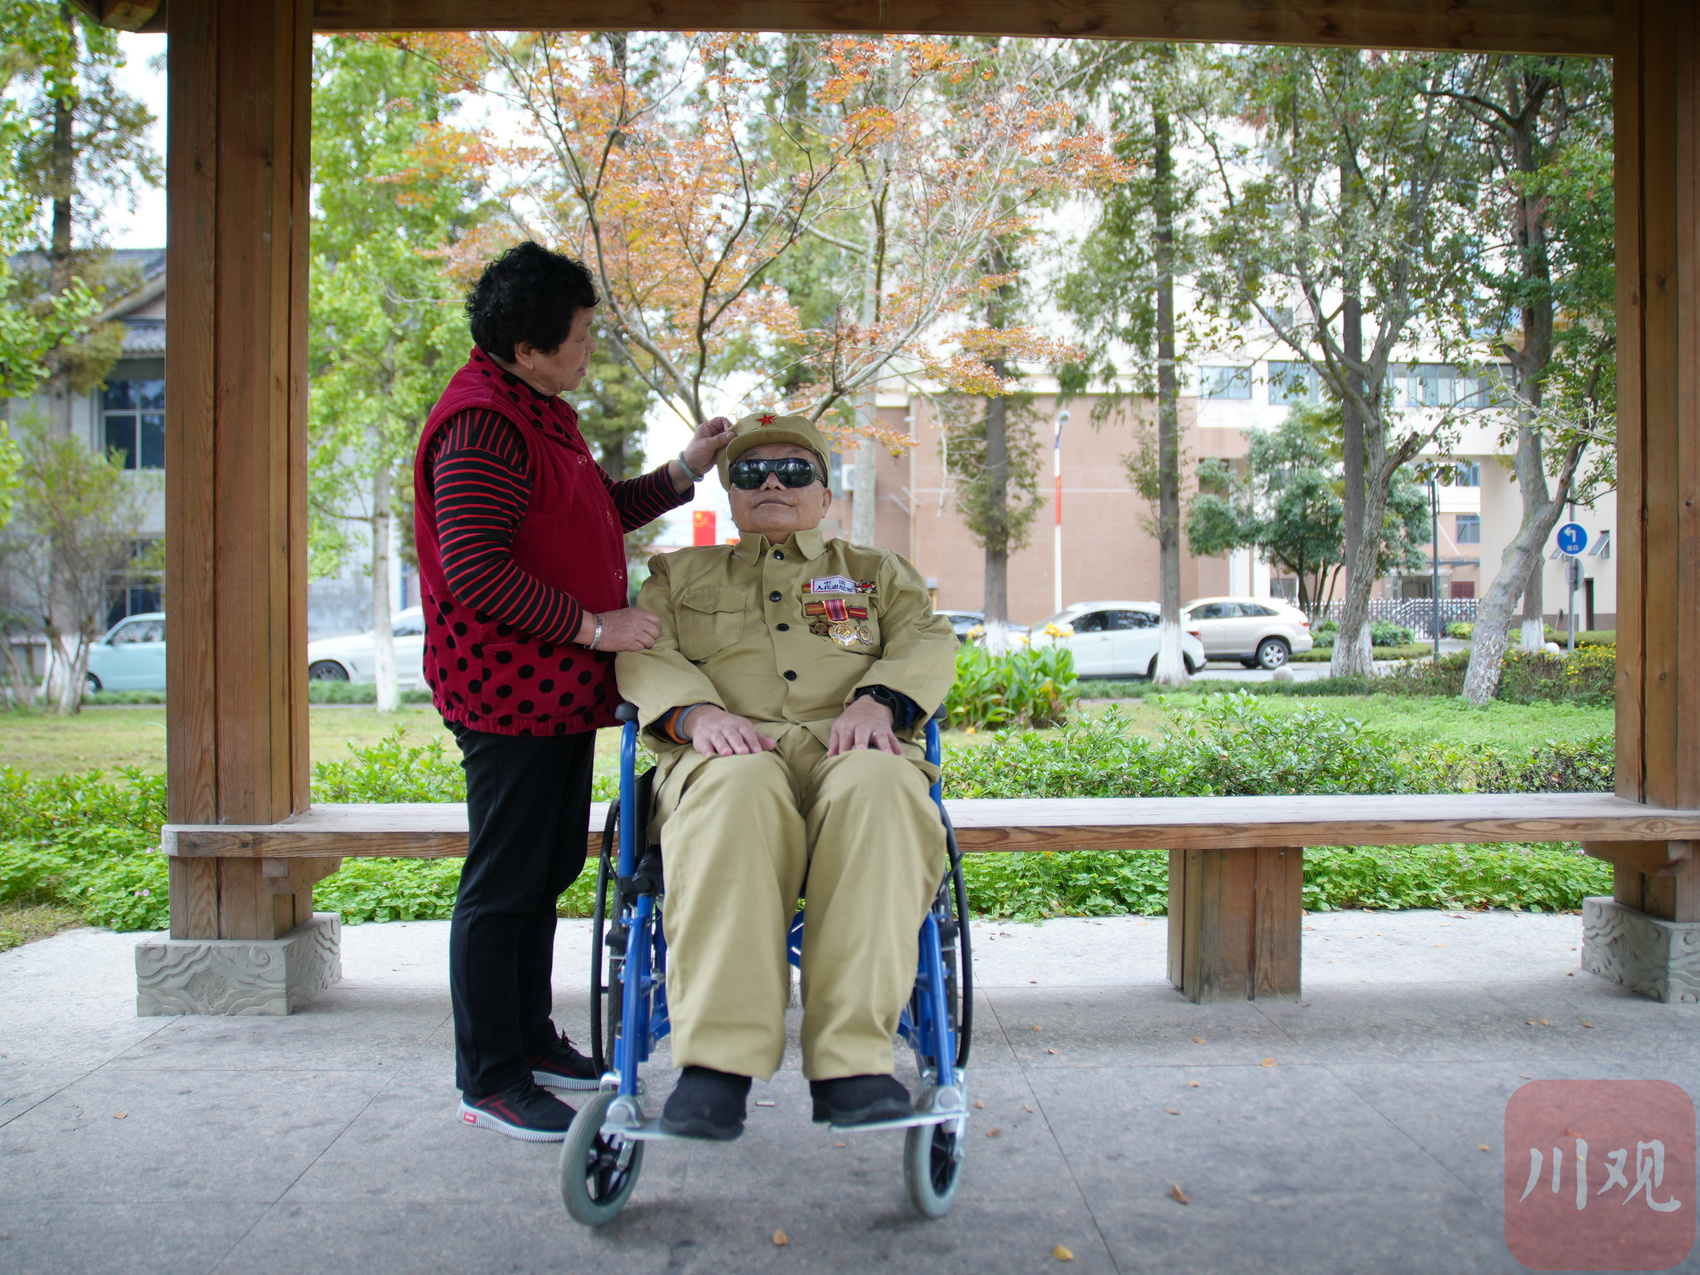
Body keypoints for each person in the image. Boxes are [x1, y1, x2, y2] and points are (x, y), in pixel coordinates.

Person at [412, 241, 733, 1142]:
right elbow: (476, 572)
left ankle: (532, 1037)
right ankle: (491, 1073)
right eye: (582, 334)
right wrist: (598, 626)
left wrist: (684, 471)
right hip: (504, 690)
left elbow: (590, 511)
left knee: (546, 868)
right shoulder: (482, 423)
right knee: (505, 880)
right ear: (526, 348)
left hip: (551, 690)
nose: (591, 345)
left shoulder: (538, 408)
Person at [616, 411, 957, 1141]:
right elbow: (643, 651)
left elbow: (927, 638)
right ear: (730, 494)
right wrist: (697, 716)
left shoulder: (875, 574)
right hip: (727, 754)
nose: (771, 481)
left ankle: (853, 1067)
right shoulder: (678, 575)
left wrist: (881, 697)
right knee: (737, 787)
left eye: (795, 470)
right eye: (749, 471)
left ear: (827, 492)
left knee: (882, 788)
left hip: (850, 748)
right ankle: (715, 1066)